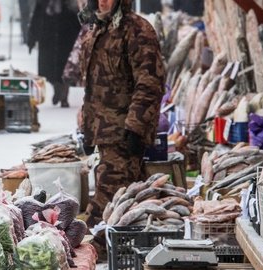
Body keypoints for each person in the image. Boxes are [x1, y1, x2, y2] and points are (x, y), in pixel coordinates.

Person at [78, 0, 165, 254]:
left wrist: (135, 127)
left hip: (124, 132)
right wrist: (87, 127)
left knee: (106, 204)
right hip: (103, 131)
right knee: (129, 199)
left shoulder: (137, 30)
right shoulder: (98, 30)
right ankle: (136, 250)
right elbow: (92, 87)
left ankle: (95, 249)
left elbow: (150, 83)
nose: (103, 1)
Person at [28, 0, 81, 108]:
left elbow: (80, 19)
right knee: (49, 68)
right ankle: (57, 88)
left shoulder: (72, 4)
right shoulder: (44, 3)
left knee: (66, 68)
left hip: (67, 35)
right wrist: (32, 38)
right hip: (48, 36)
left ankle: (64, 96)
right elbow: (37, 17)